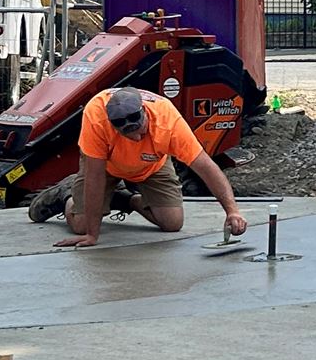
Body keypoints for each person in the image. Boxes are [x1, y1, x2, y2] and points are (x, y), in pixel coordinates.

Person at [53, 87, 248, 250]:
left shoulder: (168, 123)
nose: (137, 140)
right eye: (129, 136)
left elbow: (206, 167)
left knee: (172, 223)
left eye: (141, 132)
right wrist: (91, 235)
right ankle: (65, 195)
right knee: (81, 225)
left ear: (145, 112)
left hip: (152, 165)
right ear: (113, 126)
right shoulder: (96, 117)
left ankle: (125, 199)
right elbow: (95, 176)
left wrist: (232, 211)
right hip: (107, 166)